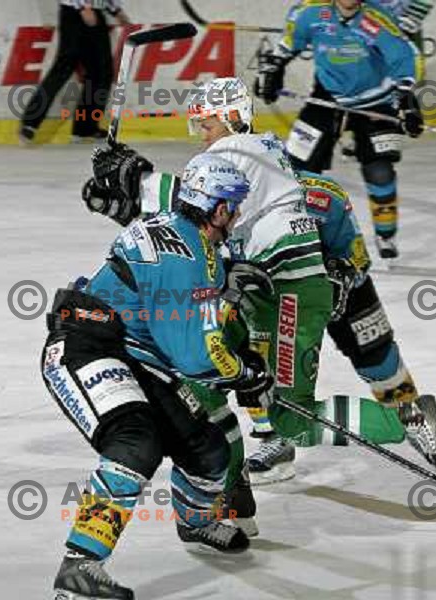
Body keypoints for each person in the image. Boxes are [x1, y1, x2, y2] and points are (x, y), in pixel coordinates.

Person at [82, 77, 436, 488]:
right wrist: (127, 199)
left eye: (206, 125)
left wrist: (135, 176)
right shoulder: (260, 152)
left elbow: (191, 199)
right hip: (266, 286)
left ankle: (411, 416)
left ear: (232, 117)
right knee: (207, 374)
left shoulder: (238, 150)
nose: (202, 137)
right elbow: (193, 227)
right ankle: (232, 486)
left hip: (291, 287)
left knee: (294, 416)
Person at [42, 153, 273, 599]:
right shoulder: (185, 258)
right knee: (135, 443)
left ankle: (195, 523)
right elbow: (192, 359)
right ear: (218, 209)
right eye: (234, 206)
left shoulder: (185, 234)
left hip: (135, 355)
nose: (238, 214)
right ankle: (79, 568)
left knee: (208, 452)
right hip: (84, 347)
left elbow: (182, 301)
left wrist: (225, 278)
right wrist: (246, 373)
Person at [255, 0, 425, 259]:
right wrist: (274, 68)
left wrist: (406, 98)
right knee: (298, 166)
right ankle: (299, 230)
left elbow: (404, 55)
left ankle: (385, 235)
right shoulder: (311, 12)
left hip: (376, 99)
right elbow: (290, 41)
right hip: (327, 97)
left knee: (379, 171)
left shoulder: (375, 18)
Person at [20, 0, 130, 145]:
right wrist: (84, 7)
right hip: (78, 11)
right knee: (64, 68)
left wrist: (115, 10)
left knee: (100, 73)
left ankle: (84, 128)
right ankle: (30, 122)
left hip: (92, 11)